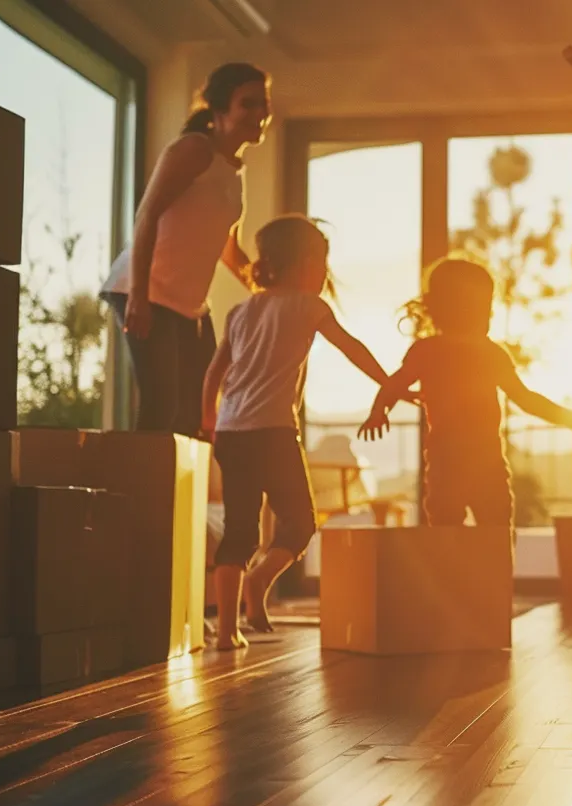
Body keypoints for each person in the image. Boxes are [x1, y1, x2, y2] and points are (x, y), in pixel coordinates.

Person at [201, 215, 392, 650]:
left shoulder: (240, 311)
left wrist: (209, 420)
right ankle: (259, 581)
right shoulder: (309, 306)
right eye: (323, 262)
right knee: (300, 522)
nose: (325, 273)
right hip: (273, 432)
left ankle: (228, 630)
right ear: (307, 262)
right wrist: (388, 382)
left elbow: (214, 372)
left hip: (232, 431)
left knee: (239, 531)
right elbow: (351, 348)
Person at [360, 258, 572, 530]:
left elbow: (393, 385)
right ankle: (483, 571)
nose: (490, 315)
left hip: (468, 464)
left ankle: (470, 570)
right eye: (485, 307)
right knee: (481, 533)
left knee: (456, 532)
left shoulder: (443, 352)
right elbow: (525, 398)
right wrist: (379, 409)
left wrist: (380, 410)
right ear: (458, 309)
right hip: (464, 463)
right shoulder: (464, 353)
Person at [103, 62, 271, 436]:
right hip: (145, 289)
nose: (260, 113)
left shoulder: (234, 169)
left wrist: (267, 287)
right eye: (248, 103)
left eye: (264, 103)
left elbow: (227, 246)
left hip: (189, 306)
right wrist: (139, 296)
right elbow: (147, 215)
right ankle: (140, 492)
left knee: (197, 411)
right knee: (161, 407)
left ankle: (175, 492)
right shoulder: (194, 149)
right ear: (219, 108)